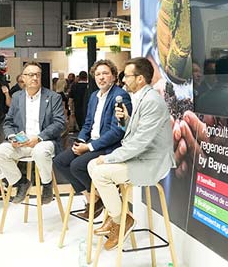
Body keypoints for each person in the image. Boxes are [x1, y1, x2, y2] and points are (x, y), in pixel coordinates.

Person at [88, 57, 175, 251]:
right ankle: (118, 216)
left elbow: (139, 143)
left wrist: (109, 158)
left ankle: (121, 220)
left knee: (101, 171)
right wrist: (126, 119)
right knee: (92, 165)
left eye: (127, 76)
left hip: (150, 162)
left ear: (140, 79)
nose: (123, 80)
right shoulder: (141, 97)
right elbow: (137, 133)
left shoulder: (152, 101)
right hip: (140, 156)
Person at [53, 60, 132, 219]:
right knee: (59, 161)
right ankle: (93, 197)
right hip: (90, 142)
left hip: (109, 146)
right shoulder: (94, 96)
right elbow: (88, 123)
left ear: (114, 76)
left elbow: (117, 132)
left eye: (105, 73)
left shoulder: (119, 96)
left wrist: (89, 148)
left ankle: (98, 199)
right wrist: (81, 141)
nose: (101, 77)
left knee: (76, 166)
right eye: (97, 74)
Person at [0, 62, 66, 205]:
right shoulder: (17, 97)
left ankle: (47, 185)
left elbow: (59, 123)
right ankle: (21, 183)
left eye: (38, 75)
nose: (35, 78)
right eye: (31, 75)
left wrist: (39, 138)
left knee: (40, 151)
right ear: (23, 78)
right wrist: (12, 137)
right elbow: (8, 122)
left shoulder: (53, 97)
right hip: (22, 142)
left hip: (44, 141)